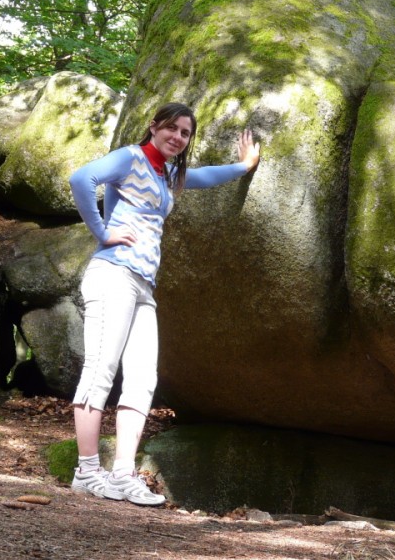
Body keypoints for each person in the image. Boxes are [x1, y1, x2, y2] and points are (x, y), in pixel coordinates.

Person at [67, 102, 260, 506]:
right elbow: (82, 178)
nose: (177, 137)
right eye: (172, 128)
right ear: (154, 126)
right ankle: (86, 471)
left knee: (142, 379)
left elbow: (204, 176)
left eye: (185, 133)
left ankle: (123, 474)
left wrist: (243, 167)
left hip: (143, 286)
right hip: (113, 274)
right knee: (100, 370)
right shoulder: (130, 158)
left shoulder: (168, 174)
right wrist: (102, 233)